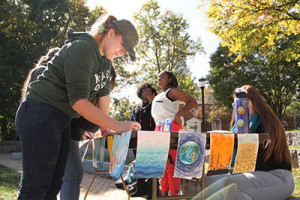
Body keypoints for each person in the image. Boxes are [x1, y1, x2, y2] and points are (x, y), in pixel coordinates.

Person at [15, 14, 141, 200]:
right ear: (111, 33)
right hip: (40, 112)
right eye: (123, 45)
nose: (122, 52)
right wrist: (118, 125)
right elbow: (78, 102)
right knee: (36, 186)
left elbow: (103, 98)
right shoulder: (83, 47)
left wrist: (104, 128)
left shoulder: (105, 62)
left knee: (53, 185)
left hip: (62, 118)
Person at [193, 85, 295, 200]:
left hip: (277, 177)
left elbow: (256, 159)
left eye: (243, 103)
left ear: (254, 102)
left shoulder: (267, 123)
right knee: (206, 180)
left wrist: (246, 134)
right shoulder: (238, 126)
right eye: (235, 104)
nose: (239, 108)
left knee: (234, 184)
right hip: (251, 175)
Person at [151, 70, 197, 197]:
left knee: (172, 166)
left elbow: (192, 101)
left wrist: (178, 115)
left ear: (170, 79)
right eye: (158, 78)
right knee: (162, 168)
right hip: (159, 129)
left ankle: (174, 196)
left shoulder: (172, 91)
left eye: (162, 77)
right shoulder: (159, 96)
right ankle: (163, 196)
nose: (159, 79)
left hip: (171, 127)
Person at [130, 83, 157, 199]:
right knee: (139, 164)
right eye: (143, 91)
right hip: (138, 139)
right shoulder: (136, 107)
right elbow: (132, 121)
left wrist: (153, 101)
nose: (145, 93)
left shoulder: (156, 105)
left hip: (153, 139)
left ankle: (153, 192)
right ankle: (140, 188)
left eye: (148, 91)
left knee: (152, 165)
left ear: (153, 93)